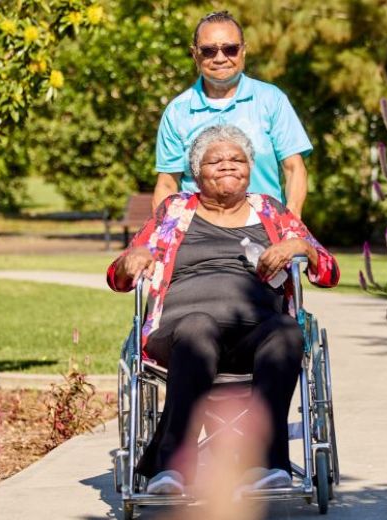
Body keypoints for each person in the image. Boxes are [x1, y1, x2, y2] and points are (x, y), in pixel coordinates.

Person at [107, 125, 339, 495]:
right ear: (197, 172)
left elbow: (328, 271)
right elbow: (119, 277)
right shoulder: (175, 210)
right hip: (182, 333)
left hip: (256, 335)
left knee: (286, 332)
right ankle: (173, 466)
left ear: (250, 167)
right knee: (199, 328)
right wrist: (132, 257)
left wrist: (301, 247)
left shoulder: (271, 211)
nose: (228, 165)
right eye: (216, 160)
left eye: (238, 159)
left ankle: (265, 463)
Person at [152, 10, 313, 216]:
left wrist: (291, 223)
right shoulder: (177, 111)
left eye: (230, 49)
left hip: (265, 227)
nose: (220, 58)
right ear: (195, 54)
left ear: (243, 50)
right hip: (197, 234)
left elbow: (294, 169)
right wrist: (162, 234)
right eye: (209, 50)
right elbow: (167, 184)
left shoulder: (272, 100)